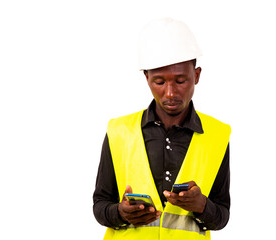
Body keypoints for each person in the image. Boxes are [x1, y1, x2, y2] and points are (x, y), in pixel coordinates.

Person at [93, 18, 231, 240]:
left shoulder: (217, 135)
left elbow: (222, 216)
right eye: (159, 81)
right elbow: (100, 206)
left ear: (196, 76)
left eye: (180, 80)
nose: (170, 93)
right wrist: (121, 213)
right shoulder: (118, 131)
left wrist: (201, 205)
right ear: (146, 77)